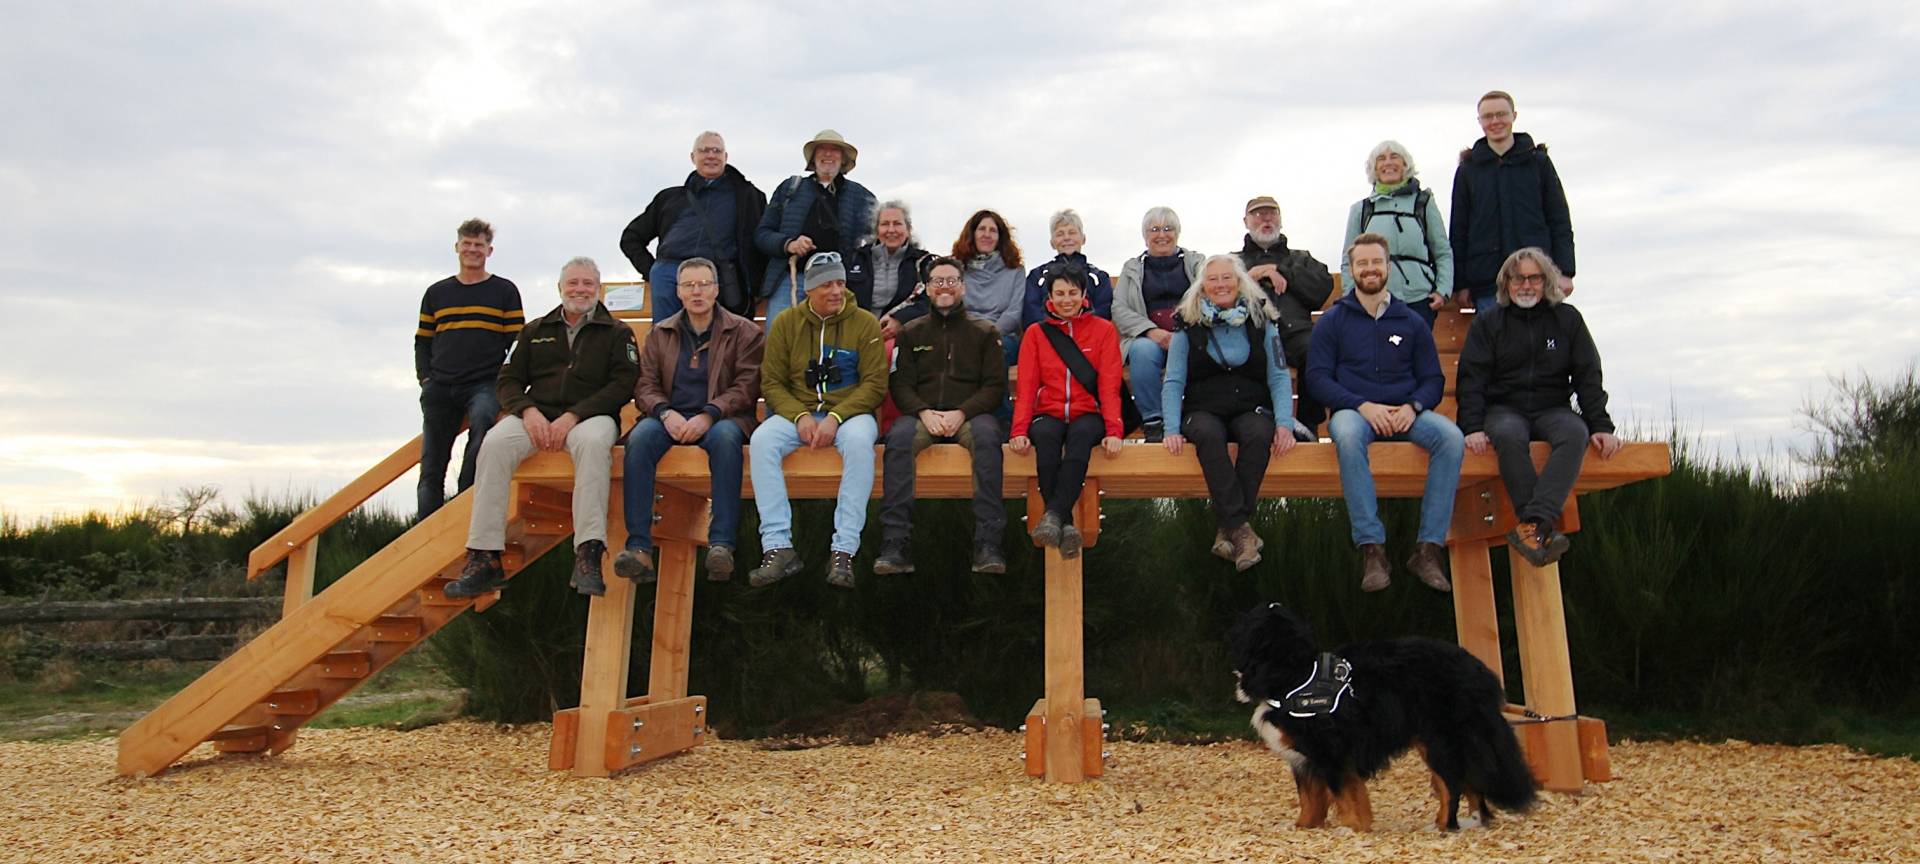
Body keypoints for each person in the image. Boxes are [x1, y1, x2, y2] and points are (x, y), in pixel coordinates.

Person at [444, 257, 639, 599]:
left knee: (594, 445)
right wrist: (528, 411)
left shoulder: (617, 332)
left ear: (598, 288)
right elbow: (507, 380)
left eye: (588, 283)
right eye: (573, 283)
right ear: (560, 288)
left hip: (591, 417)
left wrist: (574, 415)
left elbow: (624, 384)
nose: (580, 290)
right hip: (537, 414)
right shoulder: (535, 330)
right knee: (494, 444)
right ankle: (484, 557)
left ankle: (588, 553)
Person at [1307, 233, 1462, 593]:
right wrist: (1361, 405)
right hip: (1355, 412)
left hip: (1406, 413)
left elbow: (1433, 380)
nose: (1370, 269)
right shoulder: (1333, 321)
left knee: (1451, 438)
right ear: (1351, 270)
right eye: (1362, 263)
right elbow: (1316, 378)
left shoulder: (1410, 320)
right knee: (1346, 435)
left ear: (1388, 266)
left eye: (1376, 262)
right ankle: (1372, 549)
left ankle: (1428, 549)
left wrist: (1413, 407)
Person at [1456, 247, 1619, 566]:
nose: (1526, 285)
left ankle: (1532, 525)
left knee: (1575, 433)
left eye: (1534, 278)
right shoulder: (1489, 322)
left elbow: (1588, 375)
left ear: (1547, 282)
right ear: (1506, 283)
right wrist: (1472, 427)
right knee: (1508, 434)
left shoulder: (1568, 319)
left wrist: (1601, 426)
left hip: (1552, 408)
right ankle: (1540, 526)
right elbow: (1471, 380)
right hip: (1503, 409)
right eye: (1518, 279)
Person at [613, 258, 765, 584]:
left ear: (716, 289)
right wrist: (664, 413)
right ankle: (639, 547)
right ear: (678, 292)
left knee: (726, 440)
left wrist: (709, 414)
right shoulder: (660, 333)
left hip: (723, 418)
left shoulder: (744, 331)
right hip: (668, 417)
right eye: (689, 285)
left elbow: (747, 386)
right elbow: (645, 385)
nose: (697, 292)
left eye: (704, 284)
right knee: (639, 440)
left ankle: (721, 544)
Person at [748, 251, 888, 588]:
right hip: (799, 412)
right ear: (809, 289)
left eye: (840, 283)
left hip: (850, 414)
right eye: (827, 284)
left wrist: (836, 417)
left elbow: (875, 384)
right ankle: (777, 546)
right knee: (762, 440)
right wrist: (799, 416)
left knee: (859, 443)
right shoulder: (786, 322)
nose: (836, 291)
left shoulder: (865, 322)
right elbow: (772, 383)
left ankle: (844, 550)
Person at [873, 256, 1009, 575]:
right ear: (927, 288)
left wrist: (963, 412)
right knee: (899, 438)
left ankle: (988, 543)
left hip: (970, 416)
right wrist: (923, 412)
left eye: (951, 281)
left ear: (963, 287)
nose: (944, 287)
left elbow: (994, 387)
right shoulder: (911, 332)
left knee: (988, 437)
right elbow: (900, 384)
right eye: (937, 281)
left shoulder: (985, 332)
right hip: (923, 416)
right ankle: (895, 543)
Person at [1161, 255, 1298, 571]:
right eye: (1213, 279)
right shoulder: (1186, 324)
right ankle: (1242, 530)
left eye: (1227, 278)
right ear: (1202, 287)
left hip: (1250, 406)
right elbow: (1174, 380)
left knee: (1259, 433)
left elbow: (1279, 376)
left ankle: (1231, 528)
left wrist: (1284, 424)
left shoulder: (1262, 320)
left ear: (1240, 283)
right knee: (1208, 434)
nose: (1221, 284)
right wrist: (1171, 429)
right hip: (1202, 409)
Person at [1010, 266, 1124, 559]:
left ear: (1084, 294)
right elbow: (1026, 387)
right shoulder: (1036, 333)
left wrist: (1114, 431)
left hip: (1089, 412)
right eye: (1059, 293)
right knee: (1045, 437)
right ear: (1049, 297)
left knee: (1082, 436)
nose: (1066, 300)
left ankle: (1053, 515)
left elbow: (1109, 386)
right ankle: (1066, 523)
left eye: (1073, 292)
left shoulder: (1104, 330)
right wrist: (1019, 430)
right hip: (1048, 410)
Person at [415, 218, 524, 521]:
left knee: (481, 440)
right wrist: (425, 378)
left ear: (489, 250)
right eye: (467, 243)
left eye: (479, 245)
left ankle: (464, 508)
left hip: (484, 383)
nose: (473, 249)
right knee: (432, 463)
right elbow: (423, 340)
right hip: (440, 385)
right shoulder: (436, 293)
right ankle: (427, 527)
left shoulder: (504, 291)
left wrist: (508, 383)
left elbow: (517, 343)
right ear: (457, 247)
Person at [617, 131, 768, 319]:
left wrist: (757, 283)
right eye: (704, 150)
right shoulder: (669, 198)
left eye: (717, 151)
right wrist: (652, 271)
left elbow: (762, 239)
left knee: (722, 337)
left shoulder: (749, 197)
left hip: (721, 276)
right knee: (667, 335)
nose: (711, 155)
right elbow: (631, 238)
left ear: (726, 157)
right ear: (692, 157)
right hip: (670, 275)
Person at [1450, 90, 1575, 315]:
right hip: (1488, 282)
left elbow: (1559, 219)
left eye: (1501, 114)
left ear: (1514, 116)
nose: (1495, 121)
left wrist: (1565, 271)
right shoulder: (1468, 170)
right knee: (1495, 338)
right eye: (1488, 116)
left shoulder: (1539, 163)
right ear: (1480, 121)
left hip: (1538, 277)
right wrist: (1461, 284)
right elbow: (1459, 230)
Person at [754, 130, 877, 323]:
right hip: (791, 280)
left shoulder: (862, 197)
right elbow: (762, 234)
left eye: (834, 150)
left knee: (834, 341)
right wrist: (789, 244)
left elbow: (873, 242)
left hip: (839, 285)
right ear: (813, 156)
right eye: (822, 149)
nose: (828, 154)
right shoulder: (789, 189)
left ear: (843, 158)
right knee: (780, 337)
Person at [1237, 196, 1334, 434]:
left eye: (1271, 213)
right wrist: (1251, 277)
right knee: (1239, 353)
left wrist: (1279, 270)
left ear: (1280, 219)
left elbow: (1320, 290)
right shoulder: (1234, 262)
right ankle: (1259, 423)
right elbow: (1217, 292)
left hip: (1296, 334)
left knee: (1317, 348)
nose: (1266, 219)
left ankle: (1308, 427)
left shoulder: (1302, 258)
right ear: (1246, 222)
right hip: (1251, 333)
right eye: (1258, 214)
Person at [1113, 206, 1206, 441]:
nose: (1161, 235)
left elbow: (1209, 298)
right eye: (1154, 230)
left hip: (1190, 333)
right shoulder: (1132, 269)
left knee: (1201, 350)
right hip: (1148, 337)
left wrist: (1183, 333)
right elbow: (1119, 308)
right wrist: (1151, 331)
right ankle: (1153, 420)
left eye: (1168, 228)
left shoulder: (1196, 263)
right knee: (1141, 352)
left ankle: (1195, 414)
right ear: (1145, 236)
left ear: (1178, 233)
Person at [1342, 141, 1455, 328]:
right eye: (1381, 159)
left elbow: (1442, 251)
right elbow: (1349, 258)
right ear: (1374, 169)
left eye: (1394, 157)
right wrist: (1351, 297)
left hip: (1419, 299)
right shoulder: (1361, 210)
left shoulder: (1424, 203)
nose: (1388, 163)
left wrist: (1442, 290)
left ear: (1405, 165)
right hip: (1374, 300)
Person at [846, 200, 934, 339]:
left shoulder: (923, 262)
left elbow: (929, 301)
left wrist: (900, 319)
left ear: (908, 229)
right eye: (885, 224)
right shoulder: (855, 258)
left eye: (897, 224)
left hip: (903, 336)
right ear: (877, 230)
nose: (891, 230)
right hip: (857, 333)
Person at [950, 209, 1027, 363]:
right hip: (962, 333)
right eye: (982, 229)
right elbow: (950, 307)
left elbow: (1014, 312)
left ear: (1000, 237)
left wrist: (989, 334)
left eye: (993, 231)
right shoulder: (955, 267)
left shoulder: (1015, 270)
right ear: (972, 234)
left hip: (1000, 336)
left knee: (993, 351)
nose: (987, 234)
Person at [1021, 208, 1114, 328]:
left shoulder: (1099, 278)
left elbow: (1103, 313)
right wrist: (1059, 332)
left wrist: (1076, 331)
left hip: (1089, 337)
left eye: (1072, 232)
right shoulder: (1037, 277)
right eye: (1060, 234)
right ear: (1052, 242)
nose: (1066, 238)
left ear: (1083, 239)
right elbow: (1031, 314)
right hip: (1047, 336)